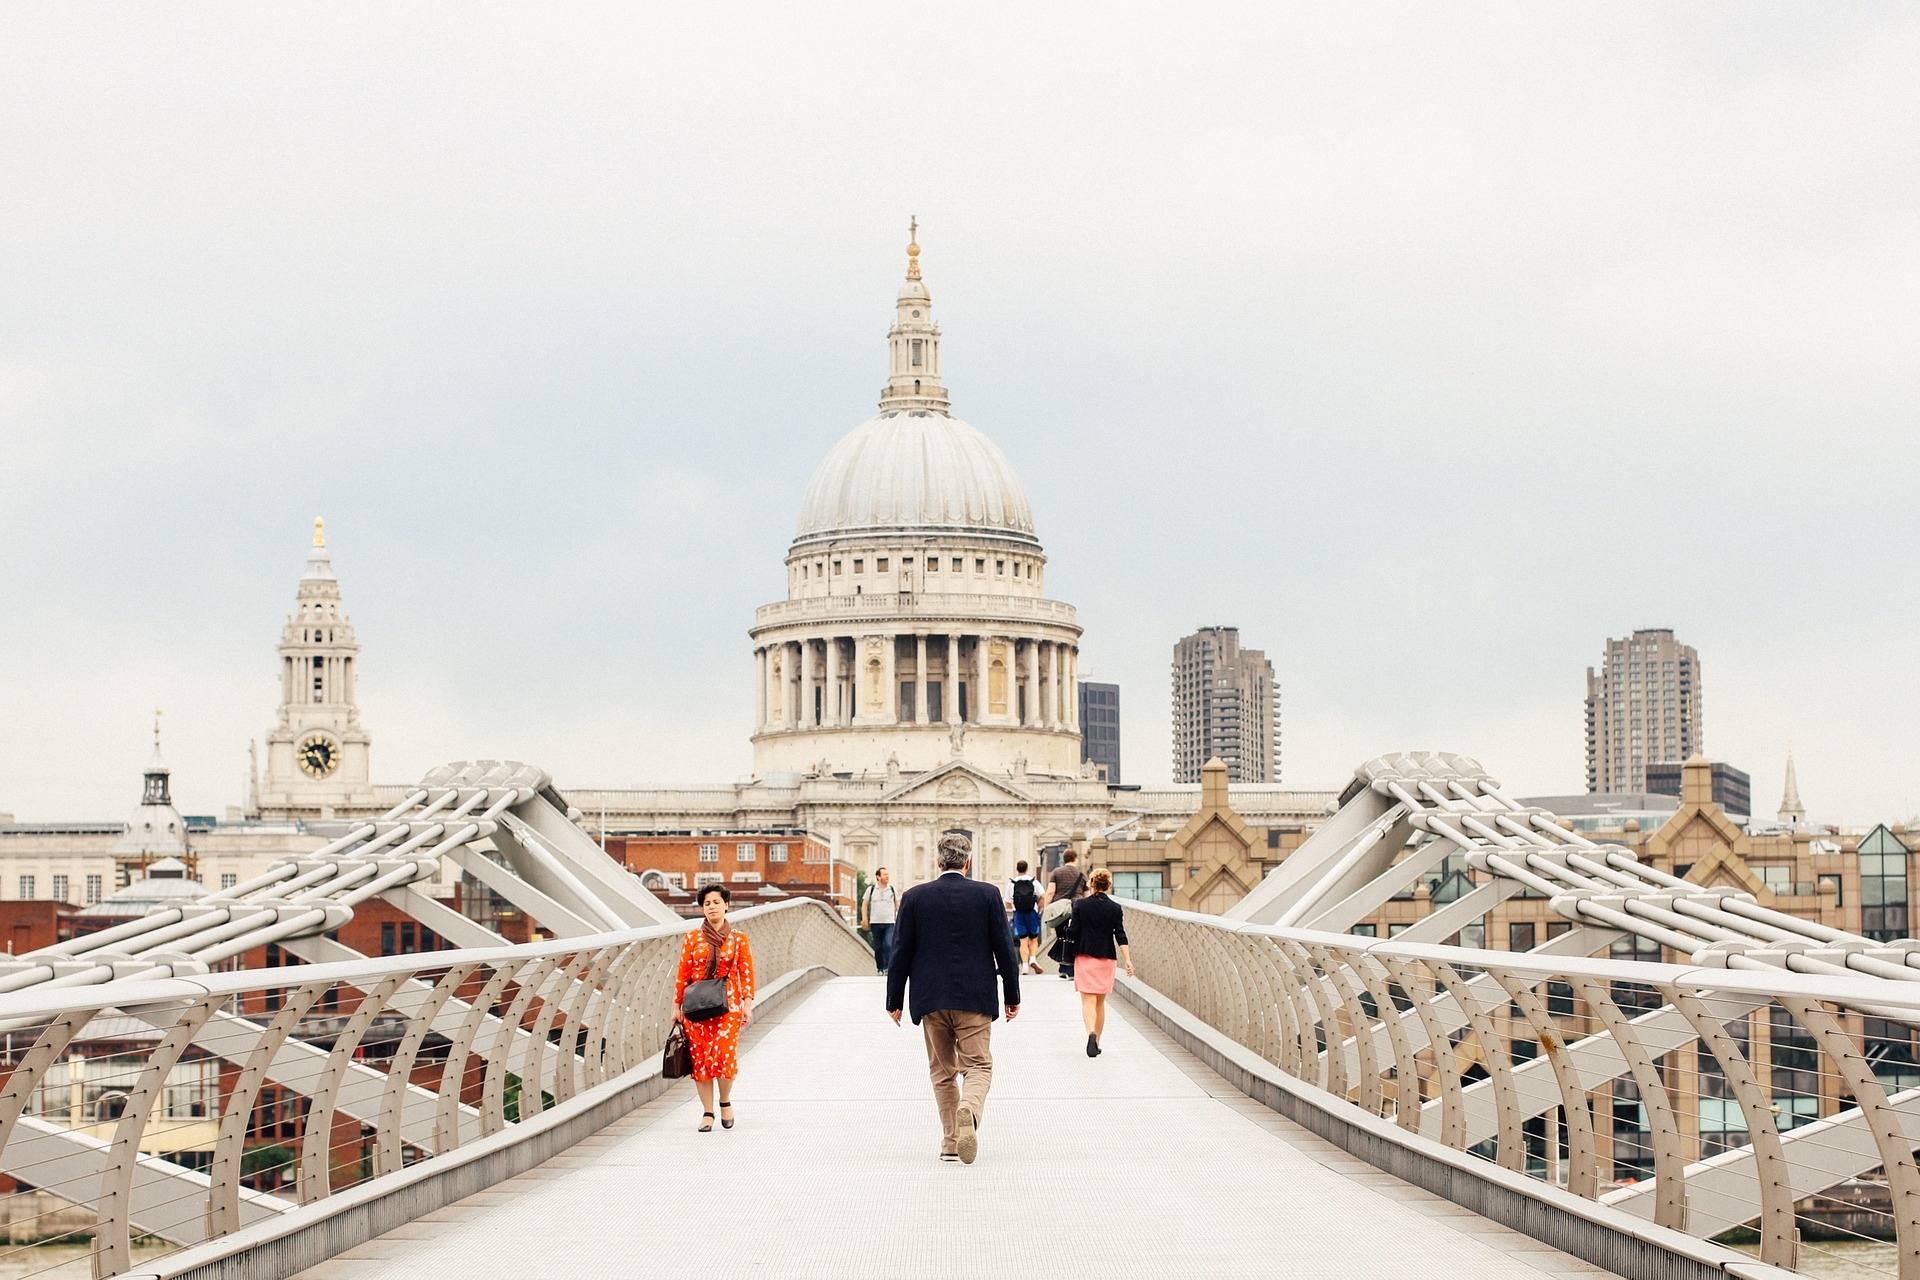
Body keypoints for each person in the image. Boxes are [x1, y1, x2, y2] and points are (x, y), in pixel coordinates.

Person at [885, 832, 1021, 1164]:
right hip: (976, 996)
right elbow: (1005, 949)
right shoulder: (988, 895)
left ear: (938, 862)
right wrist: (1012, 995)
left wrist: (894, 1000)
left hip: (930, 997)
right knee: (979, 1066)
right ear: (968, 862)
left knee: (943, 1072)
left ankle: (950, 1141)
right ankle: (969, 1110)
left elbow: (900, 951)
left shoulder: (914, 897)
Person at [673, 884, 756, 1132]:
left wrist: (747, 1004)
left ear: (726, 905)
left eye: (716, 902)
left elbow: (746, 972)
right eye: (707, 903)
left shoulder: (738, 938)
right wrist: (676, 1006)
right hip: (697, 1006)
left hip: (728, 1004)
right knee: (701, 1061)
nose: (712, 907)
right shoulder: (692, 938)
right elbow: (683, 974)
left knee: (724, 1056)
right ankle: (707, 1112)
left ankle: (725, 1101)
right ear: (702, 908)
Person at [1067, 868, 1133, 1057]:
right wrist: (1127, 960)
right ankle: (1097, 1042)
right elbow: (1120, 934)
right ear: (1108, 885)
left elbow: (1073, 932)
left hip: (1085, 956)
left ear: (1092, 884)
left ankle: (1090, 1033)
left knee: (1087, 1001)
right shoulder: (1115, 908)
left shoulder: (1080, 905)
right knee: (1100, 1002)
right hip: (1106, 957)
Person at [1041, 849, 1089, 980]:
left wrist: (1046, 908)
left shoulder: (1057, 872)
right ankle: (1072, 968)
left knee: (1061, 936)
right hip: (1076, 909)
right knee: (1074, 938)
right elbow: (1086, 896)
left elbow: (1050, 892)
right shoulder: (1082, 875)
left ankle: (1063, 968)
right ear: (1075, 859)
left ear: (1064, 859)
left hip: (1060, 910)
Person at [1005, 860, 1044, 974]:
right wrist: (1040, 907)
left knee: (1023, 940)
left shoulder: (1012, 883)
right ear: (1027, 869)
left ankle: (1025, 966)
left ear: (1017, 869)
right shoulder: (1033, 881)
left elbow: (1007, 902)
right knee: (1034, 938)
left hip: (1018, 914)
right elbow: (1042, 895)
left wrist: (1014, 906)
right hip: (1032, 912)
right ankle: (1033, 958)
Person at [861, 867, 900, 974]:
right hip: (875, 922)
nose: (887, 876)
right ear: (878, 877)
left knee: (888, 944)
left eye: (888, 874)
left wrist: (901, 918)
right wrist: (865, 918)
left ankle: (887, 967)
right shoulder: (871, 889)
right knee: (878, 947)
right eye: (885, 874)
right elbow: (865, 904)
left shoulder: (892, 889)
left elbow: (898, 905)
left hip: (890, 923)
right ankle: (880, 968)